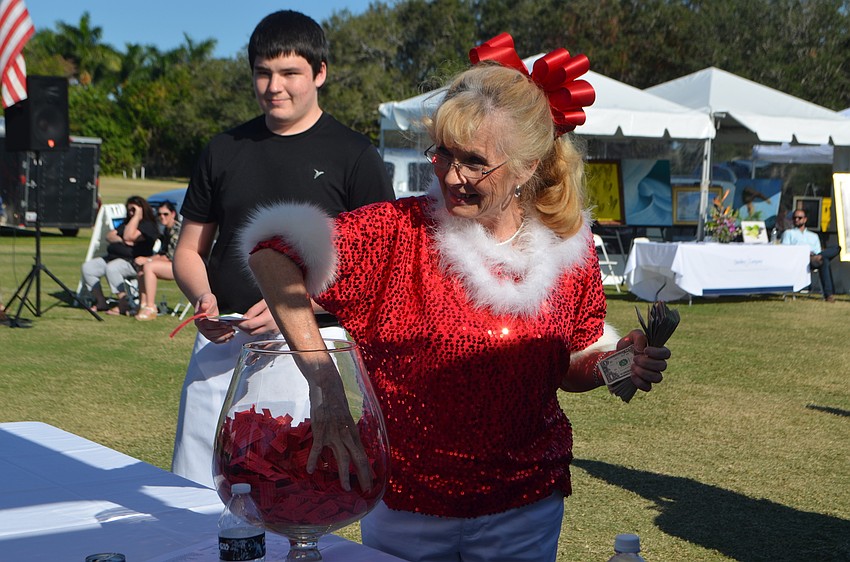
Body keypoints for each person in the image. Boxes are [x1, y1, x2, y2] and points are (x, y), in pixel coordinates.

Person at [242, 35, 671, 562]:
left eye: (474, 162)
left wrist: (618, 366)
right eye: (442, 152)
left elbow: (570, 366)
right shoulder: (397, 233)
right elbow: (272, 251)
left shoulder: (568, 253)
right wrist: (324, 380)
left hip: (525, 508)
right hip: (405, 511)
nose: (449, 175)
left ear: (528, 167)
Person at [170, 10, 394, 487]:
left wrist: (295, 309)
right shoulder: (224, 148)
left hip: (310, 352)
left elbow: (379, 271)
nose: (275, 86)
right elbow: (189, 250)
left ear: (320, 73)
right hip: (222, 343)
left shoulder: (354, 155)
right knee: (195, 488)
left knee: (287, 495)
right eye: (263, 72)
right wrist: (202, 299)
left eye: (290, 72)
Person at [81, 195, 159, 315]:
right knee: (88, 268)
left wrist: (137, 217)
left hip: (132, 262)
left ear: (142, 209)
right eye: (129, 210)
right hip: (112, 257)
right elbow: (110, 236)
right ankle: (101, 302)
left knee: (112, 268)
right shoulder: (126, 223)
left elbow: (129, 235)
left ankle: (123, 303)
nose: (131, 213)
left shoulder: (148, 225)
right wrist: (124, 240)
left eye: (134, 210)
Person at [134, 201, 181, 321]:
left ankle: (151, 307)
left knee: (149, 267)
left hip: (182, 268)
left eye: (165, 214)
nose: (162, 217)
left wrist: (147, 259)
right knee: (142, 269)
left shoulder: (176, 230)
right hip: (172, 264)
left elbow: (170, 256)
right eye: (159, 214)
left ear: (173, 214)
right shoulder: (166, 230)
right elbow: (162, 253)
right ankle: (143, 305)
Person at [782, 207, 841, 302]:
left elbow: (818, 251)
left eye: (799, 218)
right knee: (824, 261)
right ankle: (828, 295)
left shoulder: (813, 236)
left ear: (805, 219)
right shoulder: (789, 233)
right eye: (794, 218)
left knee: (836, 248)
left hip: (814, 259)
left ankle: (821, 257)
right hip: (799, 259)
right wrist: (804, 252)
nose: (796, 220)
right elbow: (785, 251)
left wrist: (818, 255)